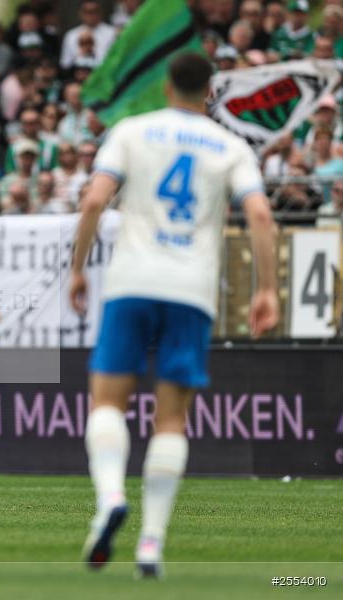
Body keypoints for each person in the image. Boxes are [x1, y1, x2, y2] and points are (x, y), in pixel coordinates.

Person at [69, 53, 279, 578]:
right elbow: (259, 213)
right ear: (210, 91)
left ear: (167, 86)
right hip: (191, 290)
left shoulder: (132, 131)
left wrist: (77, 269)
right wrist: (267, 289)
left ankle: (110, 498)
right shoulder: (231, 146)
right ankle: (151, 545)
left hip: (132, 282)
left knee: (107, 402)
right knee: (170, 419)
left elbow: (94, 201)